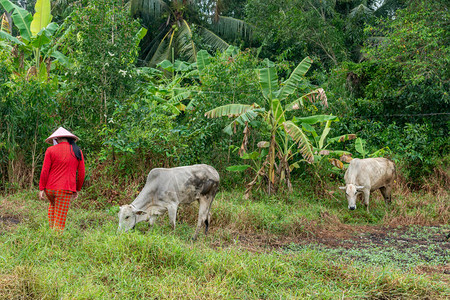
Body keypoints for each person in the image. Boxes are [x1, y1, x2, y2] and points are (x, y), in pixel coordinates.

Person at [39, 127, 85, 230]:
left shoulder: (50, 150)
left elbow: (45, 171)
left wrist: (42, 188)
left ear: (57, 139)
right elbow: (81, 173)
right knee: (60, 221)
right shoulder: (77, 151)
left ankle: (51, 234)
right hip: (65, 189)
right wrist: (77, 189)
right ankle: (56, 241)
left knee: (53, 209)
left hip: (49, 189)